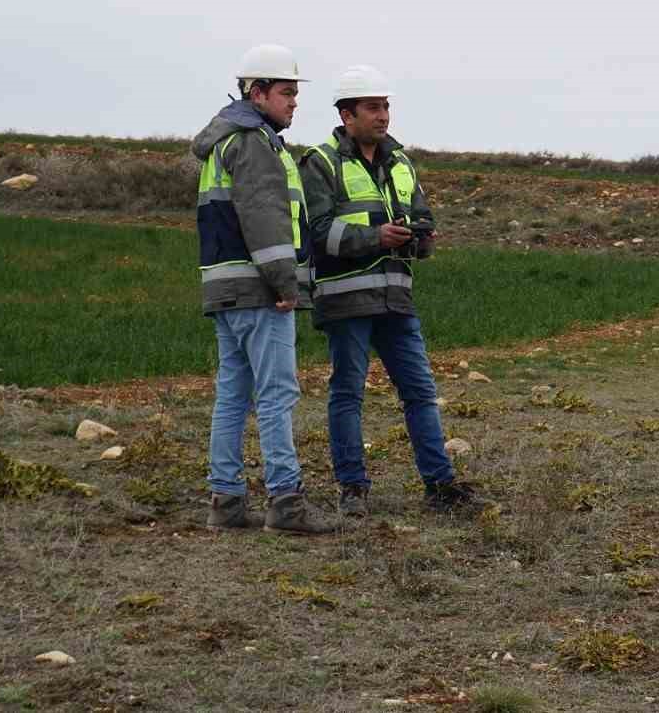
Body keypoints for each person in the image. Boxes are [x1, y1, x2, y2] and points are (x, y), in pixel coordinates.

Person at [299, 64, 486, 517]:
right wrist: (376, 238)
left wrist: (422, 237)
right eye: (373, 107)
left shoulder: (401, 163)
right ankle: (353, 490)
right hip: (346, 299)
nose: (383, 115)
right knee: (348, 394)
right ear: (347, 115)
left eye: (386, 106)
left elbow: (421, 216)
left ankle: (440, 486)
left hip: (396, 298)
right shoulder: (320, 162)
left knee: (420, 392)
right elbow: (318, 232)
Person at [193, 44, 338, 535]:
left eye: (295, 94)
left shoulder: (222, 142)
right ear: (257, 93)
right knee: (277, 394)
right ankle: (286, 503)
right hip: (259, 290)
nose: (294, 103)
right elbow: (265, 219)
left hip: (224, 290)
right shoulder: (254, 141)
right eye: (285, 93)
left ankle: (227, 502)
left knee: (233, 396)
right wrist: (285, 283)